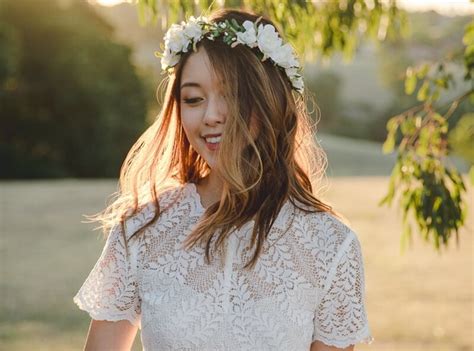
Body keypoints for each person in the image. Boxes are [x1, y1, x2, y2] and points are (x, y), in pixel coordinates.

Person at [73, 8, 374, 351]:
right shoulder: (142, 226)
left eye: (231, 94)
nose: (211, 116)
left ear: (270, 101)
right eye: (193, 99)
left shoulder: (330, 244)